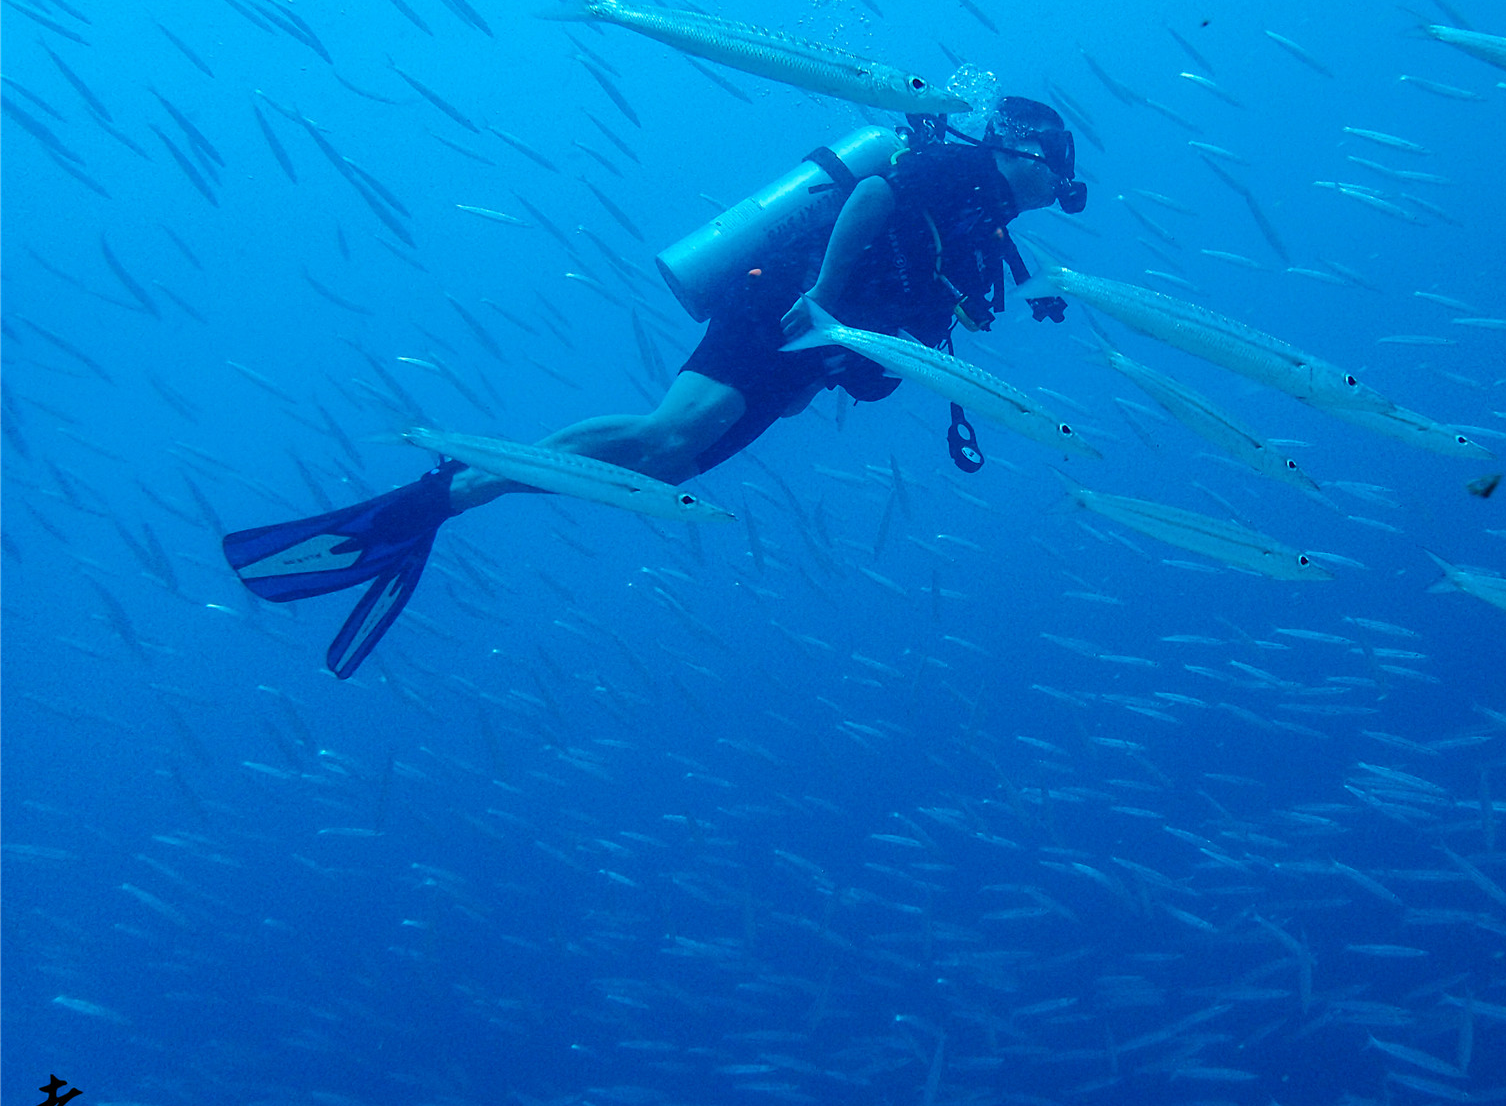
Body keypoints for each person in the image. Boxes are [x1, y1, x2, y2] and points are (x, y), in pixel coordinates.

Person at [223, 98, 1085, 677]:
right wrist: (820, 297)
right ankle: (440, 486)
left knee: (665, 468)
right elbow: (866, 199)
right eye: (1057, 163)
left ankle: (454, 494)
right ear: (1024, 148)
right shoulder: (957, 173)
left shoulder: (988, 228)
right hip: (786, 304)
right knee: (666, 433)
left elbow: (919, 320)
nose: (1061, 184)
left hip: (806, 354)